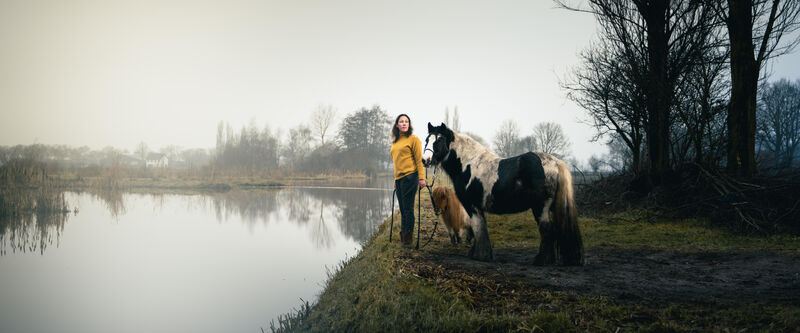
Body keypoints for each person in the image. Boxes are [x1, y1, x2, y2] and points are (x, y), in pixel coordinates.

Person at [390, 114, 426, 247]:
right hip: (399, 179)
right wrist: (395, 179)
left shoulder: (414, 139)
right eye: (401, 121)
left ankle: (407, 240)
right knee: (402, 209)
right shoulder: (395, 142)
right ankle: (404, 237)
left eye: (406, 122)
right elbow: (396, 162)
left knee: (408, 208)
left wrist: (422, 178)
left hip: (411, 177)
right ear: (397, 125)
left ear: (409, 125)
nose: (404, 123)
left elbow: (418, 160)